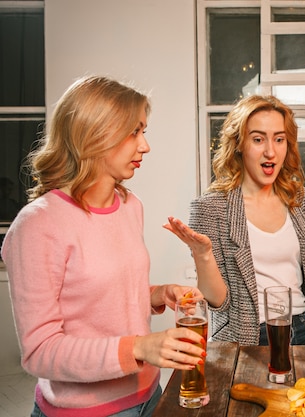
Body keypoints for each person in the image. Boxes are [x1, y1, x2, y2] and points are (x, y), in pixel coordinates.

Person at [1, 76, 206, 417]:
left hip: (150, 395)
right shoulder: (38, 224)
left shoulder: (130, 205)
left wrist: (157, 294)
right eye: (134, 132)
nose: (145, 146)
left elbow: (105, 297)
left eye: (144, 131)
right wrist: (140, 348)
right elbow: (40, 351)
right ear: (94, 133)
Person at [165, 94, 305, 346]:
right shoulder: (210, 207)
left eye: (279, 139)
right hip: (248, 336)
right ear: (239, 144)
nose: (270, 151)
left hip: (303, 327)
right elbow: (219, 302)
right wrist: (203, 254)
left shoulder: (301, 201)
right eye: (258, 139)